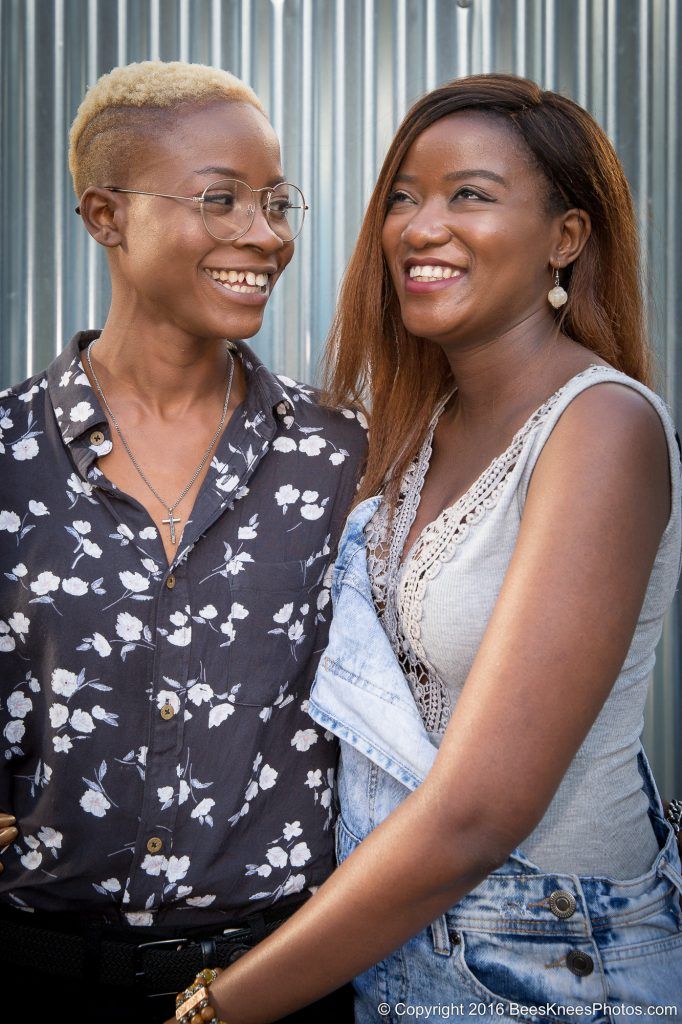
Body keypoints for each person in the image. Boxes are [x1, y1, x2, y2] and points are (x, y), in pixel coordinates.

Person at [161, 74, 682, 1024]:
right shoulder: (411, 430)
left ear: (566, 238)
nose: (418, 226)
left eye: (469, 195)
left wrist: (214, 1008)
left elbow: (478, 814)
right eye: (404, 196)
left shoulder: (601, 429)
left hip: (550, 963)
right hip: (396, 948)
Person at [0, 60, 366, 1021]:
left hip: (284, 982)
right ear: (105, 216)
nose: (266, 234)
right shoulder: (4, 456)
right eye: (222, 199)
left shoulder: (339, 457)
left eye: (276, 201)